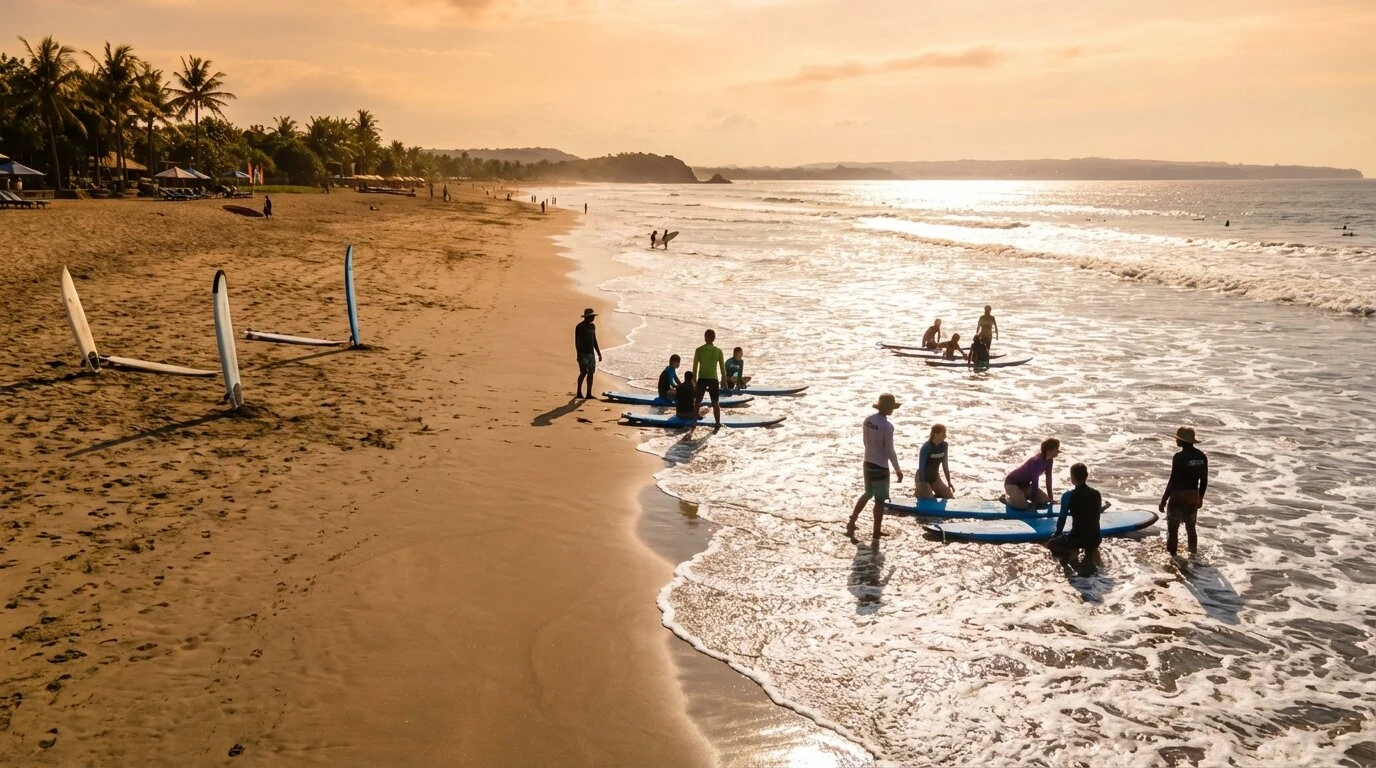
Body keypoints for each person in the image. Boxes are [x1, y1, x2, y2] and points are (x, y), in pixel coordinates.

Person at [847, 394, 904, 540]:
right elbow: (889, 450)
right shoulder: (887, 427)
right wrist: (897, 469)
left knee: (868, 493)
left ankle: (852, 520)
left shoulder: (868, 421)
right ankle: (876, 532)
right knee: (879, 501)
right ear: (887, 408)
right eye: (891, 407)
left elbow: (865, 442)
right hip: (880, 466)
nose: (893, 410)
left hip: (867, 462)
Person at [1159, 426, 1208, 557]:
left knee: (1173, 530)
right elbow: (1204, 480)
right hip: (1193, 497)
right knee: (1191, 529)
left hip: (1178, 497)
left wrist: (1163, 500)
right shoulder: (1202, 456)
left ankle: (1173, 558)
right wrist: (1200, 498)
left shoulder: (1178, 457)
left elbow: (1173, 480)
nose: (1176, 440)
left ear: (1182, 441)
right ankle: (1193, 556)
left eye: (1178, 439)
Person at [1048, 463, 1104, 576]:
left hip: (1077, 538)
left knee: (1051, 544)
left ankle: (1072, 551)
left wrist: (1056, 534)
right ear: (1086, 476)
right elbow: (1095, 515)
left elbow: (1062, 519)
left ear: (1072, 478)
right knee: (1089, 547)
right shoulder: (1096, 494)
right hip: (1095, 539)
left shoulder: (1068, 496)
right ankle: (1090, 554)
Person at [1003, 438, 1060, 511]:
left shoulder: (1050, 460)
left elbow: (1048, 480)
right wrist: (1033, 504)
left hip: (1024, 486)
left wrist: (1051, 498)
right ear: (1049, 451)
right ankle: (1005, 498)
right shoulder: (1036, 461)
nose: (1058, 452)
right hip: (1012, 484)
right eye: (1056, 450)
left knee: (1045, 500)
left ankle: (1021, 496)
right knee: (1022, 506)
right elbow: (1035, 483)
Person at [692, 329, 728, 431]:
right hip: (713, 379)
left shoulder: (699, 350)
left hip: (702, 378)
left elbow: (695, 367)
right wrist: (724, 382)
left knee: (697, 402)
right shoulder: (718, 351)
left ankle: (694, 423)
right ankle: (717, 424)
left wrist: (694, 380)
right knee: (715, 403)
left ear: (705, 338)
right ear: (714, 338)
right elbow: (722, 369)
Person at [916, 424, 953, 499]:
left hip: (935, 478)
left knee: (949, 495)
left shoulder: (944, 446)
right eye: (943, 434)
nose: (945, 436)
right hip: (922, 478)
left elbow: (945, 465)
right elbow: (921, 467)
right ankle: (919, 491)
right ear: (935, 434)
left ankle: (932, 493)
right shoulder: (926, 447)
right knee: (930, 500)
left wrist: (949, 482)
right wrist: (924, 484)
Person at [574, 308, 602, 399]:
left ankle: (588, 394)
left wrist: (598, 353)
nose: (593, 318)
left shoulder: (592, 326)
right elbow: (577, 341)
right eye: (592, 316)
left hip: (591, 353)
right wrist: (578, 354)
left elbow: (594, 340)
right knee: (583, 372)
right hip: (583, 353)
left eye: (593, 316)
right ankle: (579, 392)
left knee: (591, 373)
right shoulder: (580, 326)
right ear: (586, 317)